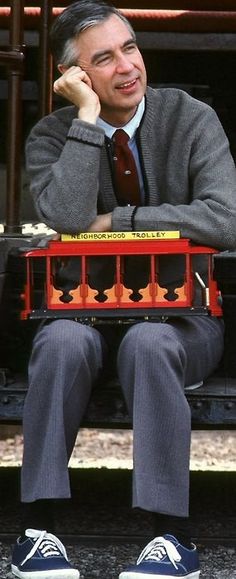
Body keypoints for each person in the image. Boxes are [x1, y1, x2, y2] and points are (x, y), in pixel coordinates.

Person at [11, 1, 236, 578]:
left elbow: (224, 218)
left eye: (130, 47)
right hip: (80, 314)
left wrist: (119, 222)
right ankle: (39, 530)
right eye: (104, 59)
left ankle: (170, 538)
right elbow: (64, 214)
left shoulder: (191, 117)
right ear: (76, 77)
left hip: (181, 317)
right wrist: (86, 121)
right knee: (60, 343)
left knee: (149, 344)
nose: (128, 66)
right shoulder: (50, 134)